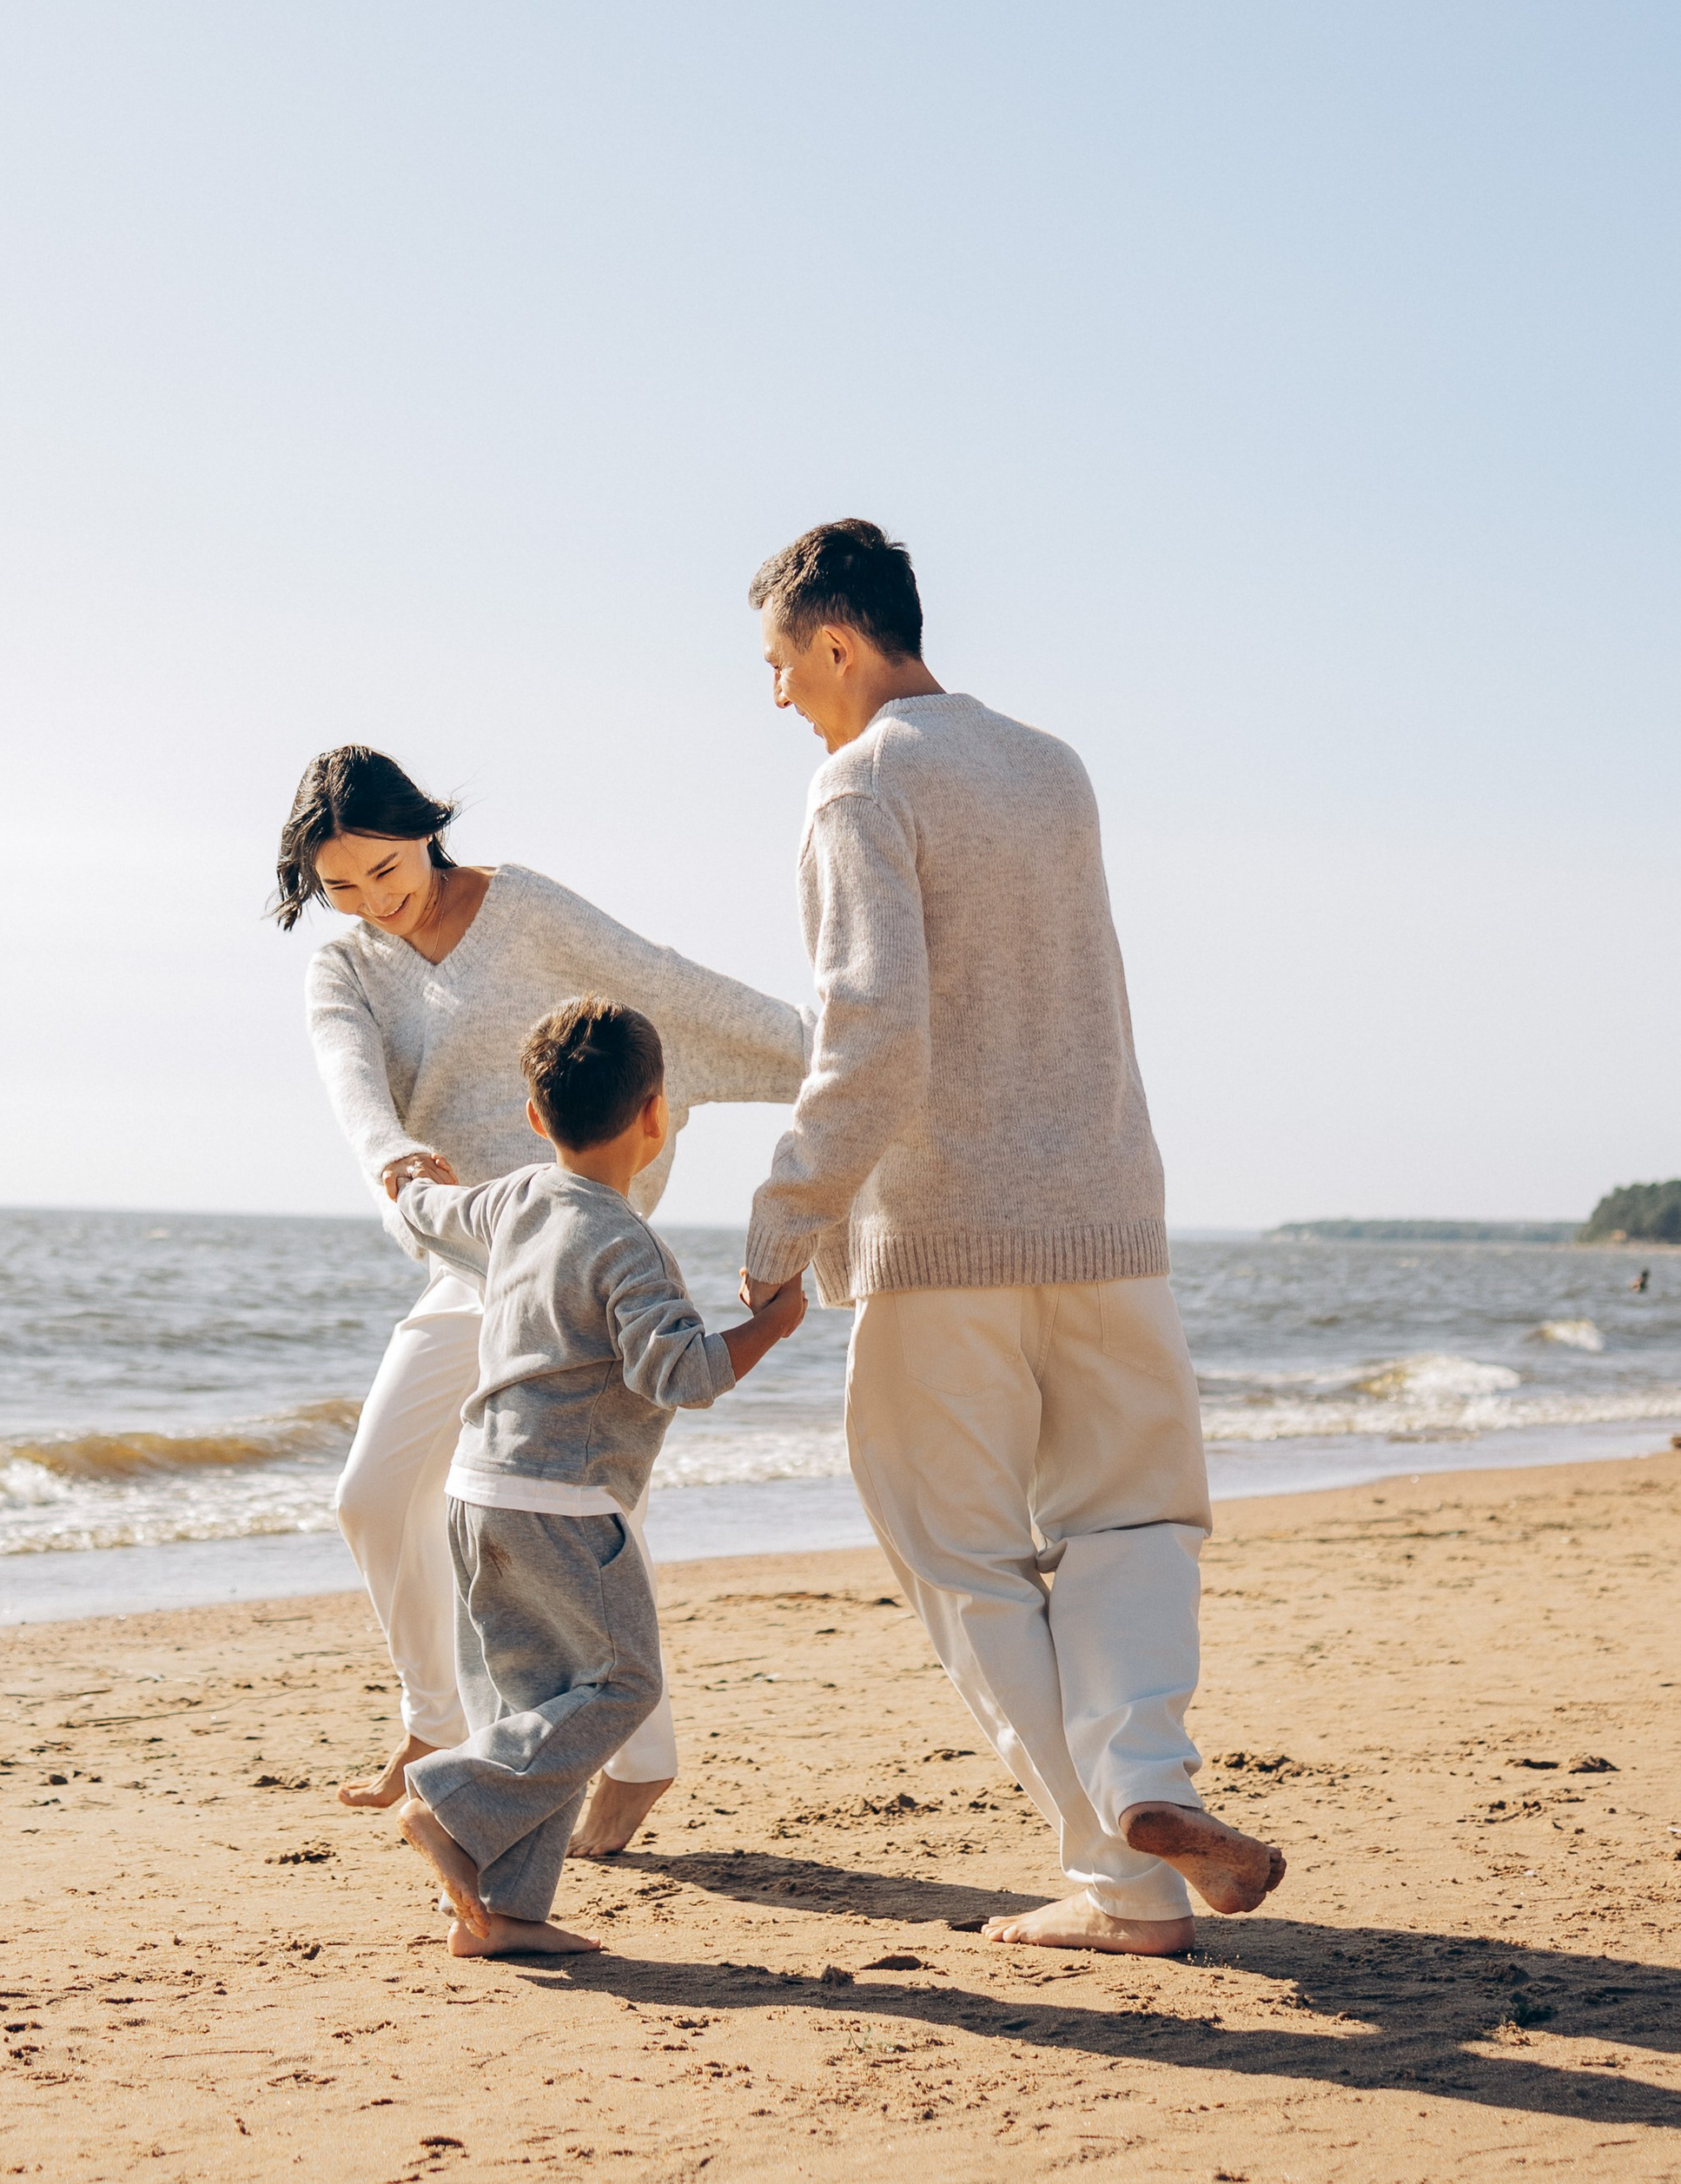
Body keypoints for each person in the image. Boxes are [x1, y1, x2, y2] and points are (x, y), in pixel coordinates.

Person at [738, 519, 1285, 1955]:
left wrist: (785, 1215)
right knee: (1135, 1519)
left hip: (947, 1233)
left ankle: (1121, 1877)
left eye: (783, 665)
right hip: (1111, 1213)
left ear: (841, 643)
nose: (779, 696)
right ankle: (1151, 1781)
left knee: (963, 1556)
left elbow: (875, 1032)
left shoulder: (856, 785)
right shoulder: (1054, 765)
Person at [281, 742, 806, 1851]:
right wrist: (389, 1155)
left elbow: (662, 984)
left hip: (574, 1247)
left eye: (385, 870)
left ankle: (628, 1764)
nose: (373, 902)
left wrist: (839, 1058)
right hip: (466, 1255)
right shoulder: (347, 968)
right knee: (377, 1499)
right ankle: (438, 1724)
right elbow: (348, 1072)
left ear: (424, 830)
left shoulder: (517, 905)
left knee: (594, 1515)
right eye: (341, 887)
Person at [392, 996, 807, 1956]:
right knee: (620, 1689)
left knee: (537, 1704)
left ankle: (503, 1915)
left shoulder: (518, 1199)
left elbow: (435, 1213)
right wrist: (772, 1325)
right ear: (656, 1117)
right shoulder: (627, 1242)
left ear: (535, 1118)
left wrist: (406, 1179)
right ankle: (452, 1803)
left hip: (478, 1491)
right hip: (566, 1508)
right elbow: (684, 1372)